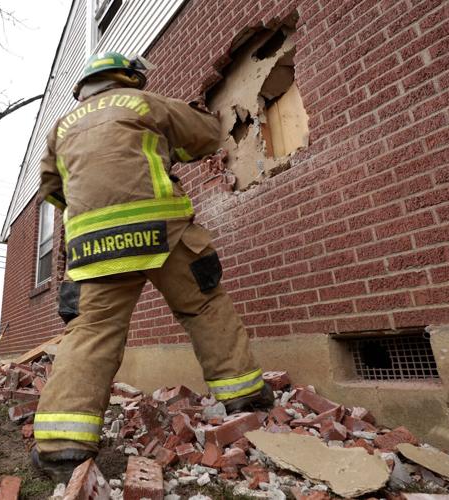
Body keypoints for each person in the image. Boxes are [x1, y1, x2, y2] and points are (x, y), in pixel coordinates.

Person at [30, 52, 274, 481]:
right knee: (204, 306)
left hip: (94, 245)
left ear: (85, 87)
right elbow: (204, 136)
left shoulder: (60, 128)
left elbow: (52, 188)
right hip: (164, 232)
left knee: (90, 331)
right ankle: (245, 400)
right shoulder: (145, 104)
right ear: (127, 78)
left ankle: (61, 445)